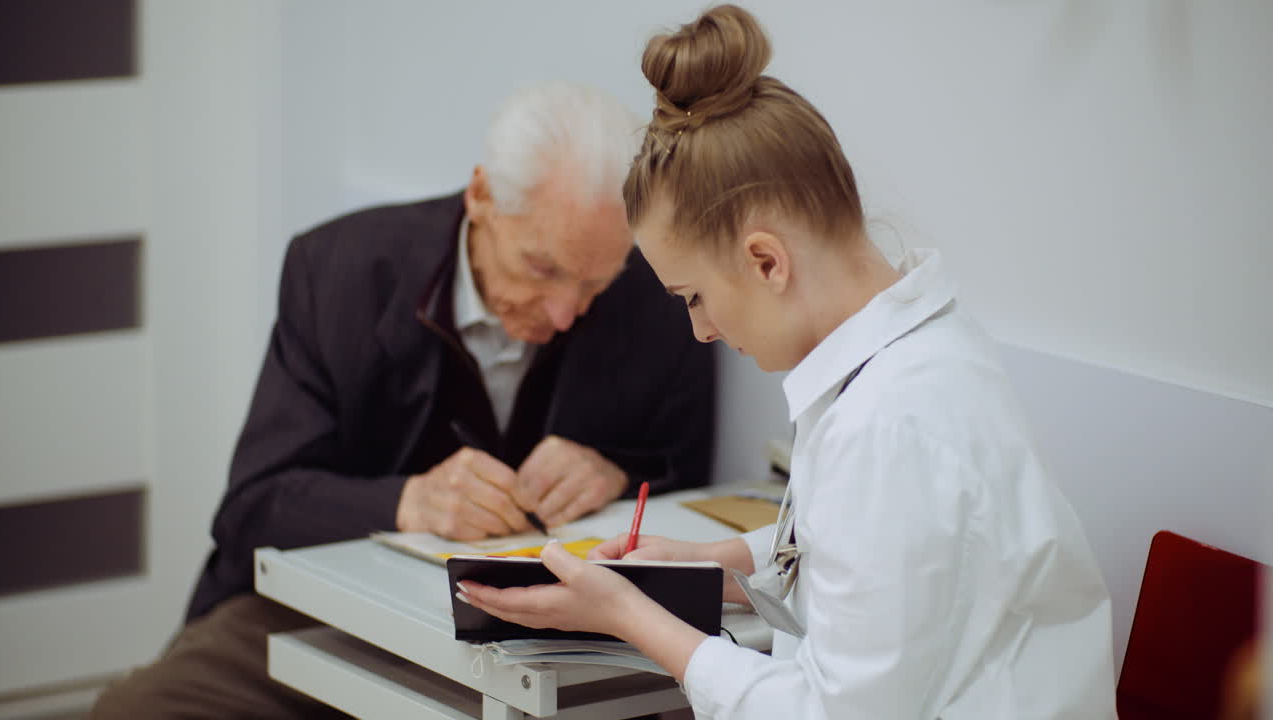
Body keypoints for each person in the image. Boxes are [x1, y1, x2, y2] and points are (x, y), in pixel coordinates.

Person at [458, 7, 1118, 719]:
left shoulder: (890, 424)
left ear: (766, 261)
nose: (702, 331)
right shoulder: (910, 361)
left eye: (695, 297)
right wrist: (730, 565)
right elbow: (885, 567)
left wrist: (630, 616)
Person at [89, 82, 715, 719]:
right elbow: (254, 507)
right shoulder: (339, 272)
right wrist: (409, 501)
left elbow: (692, 477)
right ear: (481, 197)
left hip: (545, 646)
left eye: (592, 284)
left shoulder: (661, 293)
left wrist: (615, 470)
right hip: (319, 612)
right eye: (541, 268)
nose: (563, 313)